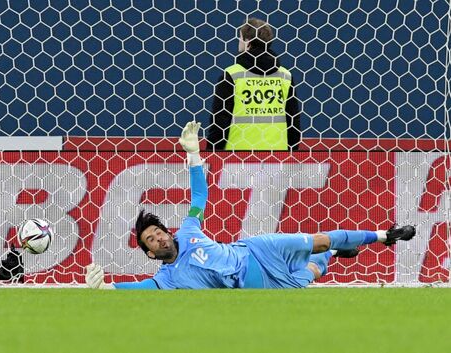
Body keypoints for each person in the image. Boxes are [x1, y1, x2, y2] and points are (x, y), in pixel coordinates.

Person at [85, 122, 416, 289]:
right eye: (151, 241)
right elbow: (137, 288)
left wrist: (193, 153)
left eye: (157, 232)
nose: (157, 238)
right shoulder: (167, 279)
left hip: (256, 250)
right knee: (310, 271)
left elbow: (199, 197)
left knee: (319, 238)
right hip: (257, 286)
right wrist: (106, 288)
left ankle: (384, 235)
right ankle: (330, 257)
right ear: (151, 255)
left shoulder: (188, 230)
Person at [205, 17, 301, 151]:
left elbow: (220, 122)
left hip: (237, 159)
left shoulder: (231, 75)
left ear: (247, 42)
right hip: (277, 157)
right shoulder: (285, 76)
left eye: (240, 38)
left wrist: (211, 153)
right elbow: (294, 123)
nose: (238, 41)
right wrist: (292, 156)